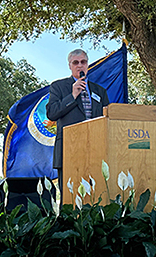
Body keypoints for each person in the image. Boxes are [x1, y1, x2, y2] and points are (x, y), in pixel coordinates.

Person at [46, 49, 109, 205]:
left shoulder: (99, 91)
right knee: (69, 197)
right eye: (76, 62)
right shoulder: (58, 87)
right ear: (70, 66)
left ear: (87, 64)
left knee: (96, 196)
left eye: (83, 62)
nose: (80, 66)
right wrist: (72, 95)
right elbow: (51, 113)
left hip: (96, 150)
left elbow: (107, 117)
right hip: (69, 150)